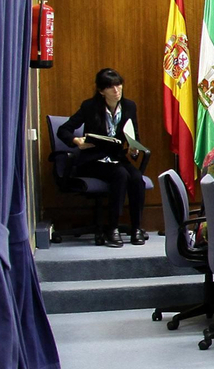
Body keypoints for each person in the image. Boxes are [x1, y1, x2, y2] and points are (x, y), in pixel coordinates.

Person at [59, 67, 149, 247]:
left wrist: (134, 149)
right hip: (93, 160)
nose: (117, 90)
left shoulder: (129, 106)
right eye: (111, 87)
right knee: (120, 174)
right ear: (101, 91)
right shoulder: (89, 107)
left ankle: (136, 228)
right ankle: (112, 228)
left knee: (137, 178)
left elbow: (134, 135)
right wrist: (77, 141)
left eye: (119, 85)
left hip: (117, 158)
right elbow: (64, 130)